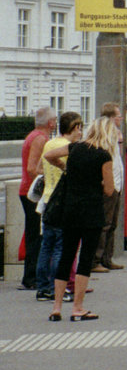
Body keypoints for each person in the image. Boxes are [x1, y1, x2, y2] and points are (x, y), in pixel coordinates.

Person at [43, 114, 117, 322]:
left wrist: (64, 168)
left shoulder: (74, 148)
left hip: (70, 210)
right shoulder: (104, 156)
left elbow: (49, 156)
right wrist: (97, 183)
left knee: (66, 256)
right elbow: (110, 190)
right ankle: (77, 308)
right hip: (92, 212)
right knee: (85, 259)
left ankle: (56, 307)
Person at [35, 111, 82, 302]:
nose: (81, 132)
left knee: (46, 246)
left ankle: (42, 288)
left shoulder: (49, 144)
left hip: (47, 199)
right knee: (60, 248)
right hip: (63, 200)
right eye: (80, 128)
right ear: (75, 128)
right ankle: (58, 288)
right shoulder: (70, 148)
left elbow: (39, 168)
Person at [20, 107, 57, 290]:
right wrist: (49, 173)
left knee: (33, 233)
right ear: (50, 123)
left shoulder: (33, 136)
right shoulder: (40, 139)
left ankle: (32, 274)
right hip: (33, 192)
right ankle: (31, 276)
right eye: (55, 120)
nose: (56, 123)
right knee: (36, 235)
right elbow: (32, 167)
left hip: (26, 190)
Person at [91, 102, 126, 272]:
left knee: (112, 223)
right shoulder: (104, 136)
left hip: (117, 183)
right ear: (111, 118)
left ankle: (107, 257)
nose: (121, 119)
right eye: (119, 116)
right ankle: (95, 260)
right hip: (108, 184)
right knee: (104, 223)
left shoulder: (115, 135)